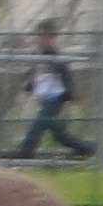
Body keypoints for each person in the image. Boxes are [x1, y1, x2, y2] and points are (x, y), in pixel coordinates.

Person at [11, 24, 91, 161]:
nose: (39, 39)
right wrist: (29, 87)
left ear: (51, 38)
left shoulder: (55, 54)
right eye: (38, 36)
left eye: (43, 36)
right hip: (44, 98)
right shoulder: (37, 54)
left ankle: (25, 153)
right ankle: (90, 149)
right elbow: (38, 75)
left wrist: (69, 94)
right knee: (59, 134)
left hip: (56, 98)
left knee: (38, 124)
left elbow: (66, 75)